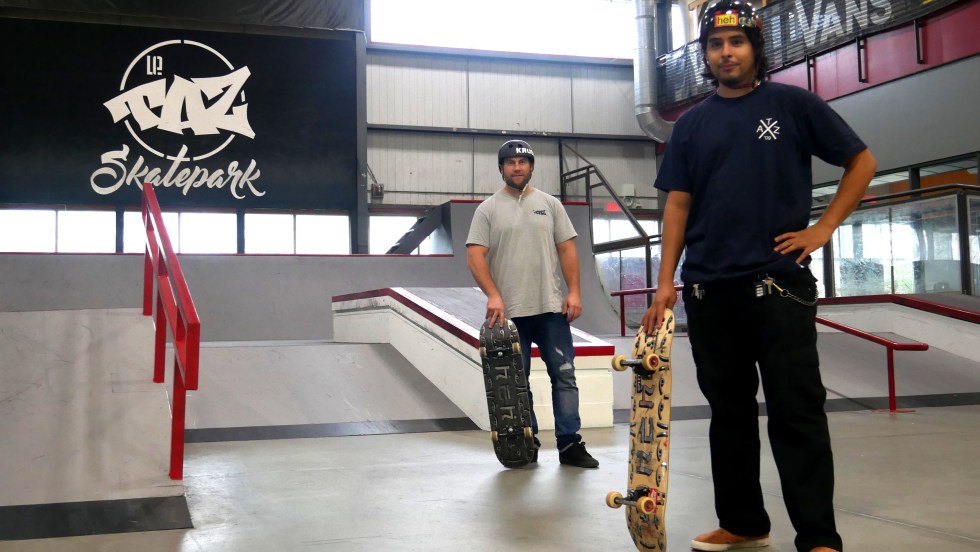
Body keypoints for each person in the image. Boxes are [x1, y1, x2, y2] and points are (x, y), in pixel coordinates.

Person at [641, 1, 876, 551]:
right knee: (729, 416)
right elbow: (678, 204)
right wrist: (666, 281)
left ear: (755, 48)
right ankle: (744, 523)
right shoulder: (691, 125)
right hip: (708, 289)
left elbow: (860, 161)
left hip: (777, 288)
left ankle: (819, 536)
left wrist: (823, 229)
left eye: (737, 43)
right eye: (716, 45)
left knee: (797, 414)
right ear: (706, 54)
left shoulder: (793, 104)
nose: (726, 53)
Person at [466, 139, 599, 469]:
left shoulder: (551, 205)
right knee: (516, 384)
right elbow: (474, 256)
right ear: (501, 169)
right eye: (510, 163)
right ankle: (528, 443)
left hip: (551, 309)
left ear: (531, 167)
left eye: (522, 162)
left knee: (564, 377)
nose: (516, 167)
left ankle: (570, 444)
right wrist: (493, 295)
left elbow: (568, 250)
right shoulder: (487, 209)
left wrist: (575, 292)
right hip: (509, 316)